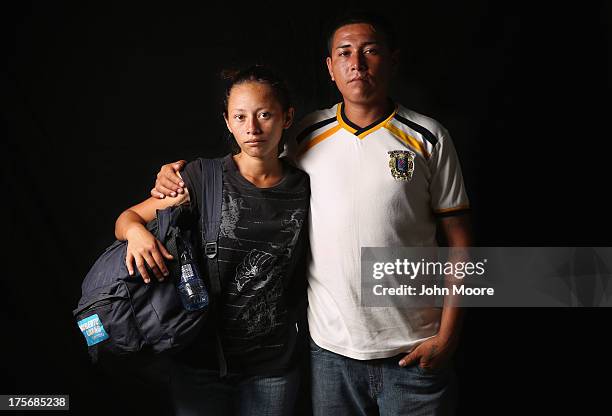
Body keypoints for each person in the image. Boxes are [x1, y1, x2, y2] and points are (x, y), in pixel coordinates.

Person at [151, 11, 471, 416]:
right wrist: (174, 176)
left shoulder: (428, 137)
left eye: (370, 51)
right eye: (345, 53)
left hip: (413, 352)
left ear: (392, 60)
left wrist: (448, 336)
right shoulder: (305, 135)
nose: (357, 63)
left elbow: (461, 241)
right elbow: (251, 164)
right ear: (330, 68)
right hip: (330, 355)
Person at [114, 65, 310, 415]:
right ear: (227, 121)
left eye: (265, 114)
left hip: (272, 366)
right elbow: (127, 218)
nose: (252, 128)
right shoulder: (203, 177)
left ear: (287, 116)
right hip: (201, 362)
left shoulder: (306, 186)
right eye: (240, 117)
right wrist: (136, 233)